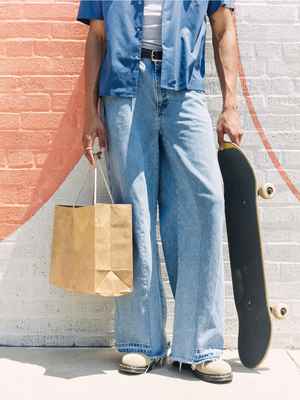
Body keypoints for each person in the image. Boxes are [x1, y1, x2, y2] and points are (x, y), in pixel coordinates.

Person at [76, 0, 242, 384]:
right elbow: (97, 35)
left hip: (184, 88)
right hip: (124, 88)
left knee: (205, 202)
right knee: (133, 211)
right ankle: (142, 341)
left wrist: (230, 104)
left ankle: (200, 346)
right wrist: (90, 112)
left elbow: (223, 27)